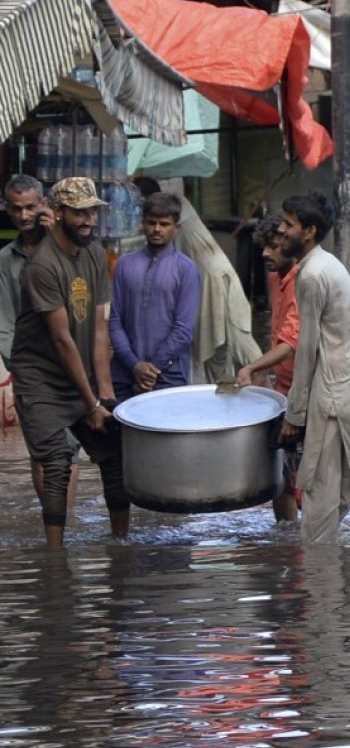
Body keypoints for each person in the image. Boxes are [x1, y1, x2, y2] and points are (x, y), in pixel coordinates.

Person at [10, 177, 130, 549]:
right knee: (58, 462)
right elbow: (62, 340)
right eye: (79, 212)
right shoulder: (41, 266)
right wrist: (89, 404)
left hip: (81, 375)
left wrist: (104, 398)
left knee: (114, 452)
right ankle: (54, 556)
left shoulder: (95, 253)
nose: (88, 220)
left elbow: (98, 328)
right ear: (58, 213)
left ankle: (121, 544)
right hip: (41, 380)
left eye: (92, 211)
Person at [276, 193, 350, 542]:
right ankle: (338, 585)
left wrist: (294, 413)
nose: (281, 230)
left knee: (318, 499)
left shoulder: (311, 275)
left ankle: (322, 590)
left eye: (289, 224)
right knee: (336, 494)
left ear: (309, 231)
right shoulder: (328, 264)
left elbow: (306, 348)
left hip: (334, 389)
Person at [0, 174, 82, 511]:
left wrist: (55, 240)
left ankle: (65, 525)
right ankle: (55, 528)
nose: (23, 216)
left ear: (44, 206)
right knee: (42, 451)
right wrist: (18, 368)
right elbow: (4, 322)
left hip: (71, 365)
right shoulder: (6, 259)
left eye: (30, 207)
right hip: (30, 370)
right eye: (16, 209)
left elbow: (85, 307)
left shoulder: (73, 251)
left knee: (69, 449)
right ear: (7, 209)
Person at [133, 176, 261, 384]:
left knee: (235, 342)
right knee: (218, 345)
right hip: (210, 275)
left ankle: (265, 387)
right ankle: (226, 393)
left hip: (213, 278)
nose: (157, 227)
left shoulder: (176, 209)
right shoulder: (179, 207)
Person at [234, 213, 302, 521]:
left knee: (303, 478)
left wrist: (251, 367)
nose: (265, 254)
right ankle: (288, 542)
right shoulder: (276, 278)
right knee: (282, 477)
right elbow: (277, 337)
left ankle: (312, 554)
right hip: (284, 387)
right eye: (264, 246)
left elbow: (290, 342)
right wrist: (261, 374)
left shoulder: (303, 280)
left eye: (273, 247)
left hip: (307, 389)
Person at [109, 192, 201, 403]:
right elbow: (114, 321)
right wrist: (134, 365)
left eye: (164, 224)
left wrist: (152, 369)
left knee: (166, 434)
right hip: (125, 373)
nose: (157, 229)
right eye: (151, 223)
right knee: (124, 434)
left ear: (176, 228)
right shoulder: (124, 264)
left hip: (169, 376)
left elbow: (184, 330)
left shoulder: (186, 269)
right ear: (143, 224)